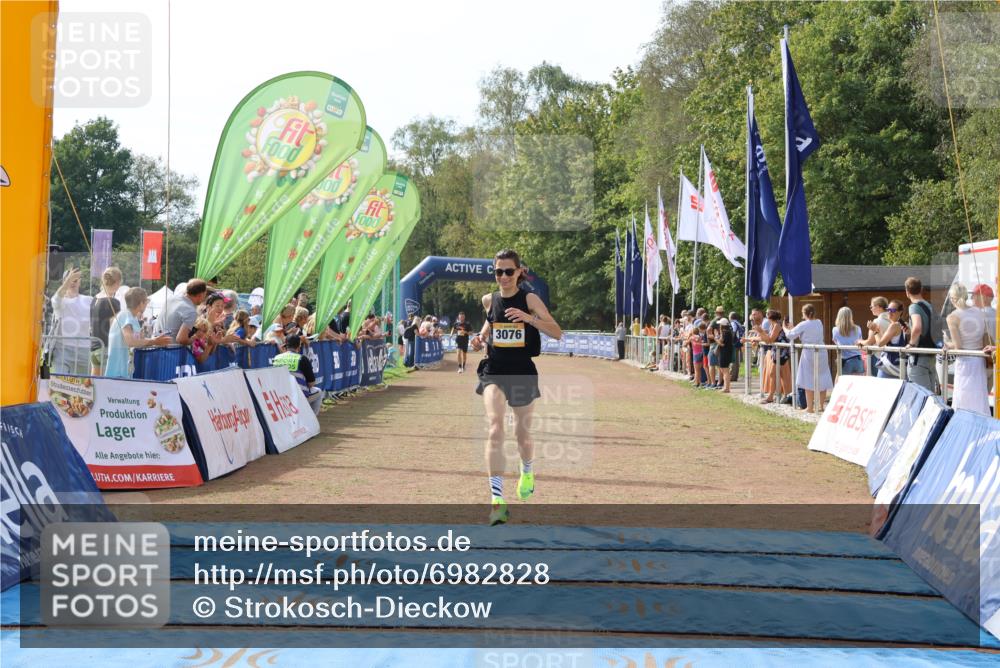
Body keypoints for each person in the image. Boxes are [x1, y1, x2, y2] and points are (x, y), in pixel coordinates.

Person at [470, 249, 562, 526]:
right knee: (495, 427)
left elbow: (557, 332)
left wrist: (528, 317)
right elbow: (487, 330)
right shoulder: (489, 300)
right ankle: (497, 502)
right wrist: (478, 339)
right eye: (499, 271)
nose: (504, 276)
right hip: (494, 370)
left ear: (519, 272)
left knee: (522, 433)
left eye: (509, 271)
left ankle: (527, 471)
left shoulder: (530, 298)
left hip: (522, 372)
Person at [105, 288, 172, 378]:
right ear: (141, 303)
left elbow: (138, 341)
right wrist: (154, 341)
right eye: (146, 302)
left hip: (125, 370)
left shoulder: (131, 317)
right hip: (118, 371)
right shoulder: (125, 315)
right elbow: (131, 342)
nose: (147, 304)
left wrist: (155, 341)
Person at [945, 284, 989, 415]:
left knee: (963, 399)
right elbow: (985, 338)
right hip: (979, 360)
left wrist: (947, 343)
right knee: (980, 398)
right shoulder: (979, 312)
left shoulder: (952, 317)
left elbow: (957, 345)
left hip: (964, 362)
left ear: (952, 299)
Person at [785, 304, 833, 413]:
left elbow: (790, 335)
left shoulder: (804, 324)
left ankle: (810, 407)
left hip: (809, 352)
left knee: (807, 378)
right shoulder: (819, 322)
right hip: (821, 351)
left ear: (804, 313)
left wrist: (785, 328)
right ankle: (820, 406)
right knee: (822, 376)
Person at [48, 267, 93, 375]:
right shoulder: (59, 301)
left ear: (80, 282)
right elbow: (56, 298)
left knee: (84, 388)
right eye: (69, 280)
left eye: (75, 280)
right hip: (63, 349)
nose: (72, 283)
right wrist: (69, 279)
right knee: (60, 385)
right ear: (64, 282)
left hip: (84, 349)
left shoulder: (89, 299)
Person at [271, 334, 323, 415]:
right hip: (298, 397)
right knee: (319, 392)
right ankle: (311, 419)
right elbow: (311, 383)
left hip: (280, 396)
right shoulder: (302, 358)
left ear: (285, 345)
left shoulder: (276, 358)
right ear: (299, 346)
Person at [904, 277, 936, 392]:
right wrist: (910, 330)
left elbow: (917, 327)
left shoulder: (914, 306)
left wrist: (911, 344)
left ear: (907, 292)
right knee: (932, 396)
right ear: (921, 289)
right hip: (931, 355)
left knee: (921, 396)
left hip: (918, 358)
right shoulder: (929, 305)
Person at [862, 299, 908, 379]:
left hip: (889, 367)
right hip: (900, 367)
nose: (889, 312)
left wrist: (875, 331)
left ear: (900, 312)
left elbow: (880, 344)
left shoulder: (894, 326)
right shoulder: (904, 325)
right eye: (888, 310)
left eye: (893, 310)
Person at [90, 267, 123, 374]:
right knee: (107, 386)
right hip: (106, 348)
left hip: (94, 348)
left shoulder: (94, 299)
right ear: (117, 283)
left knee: (94, 385)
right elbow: (115, 327)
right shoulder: (113, 302)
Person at [756, 310, 791, 404]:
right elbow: (768, 339)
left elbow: (770, 340)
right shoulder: (773, 325)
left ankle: (774, 396)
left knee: (775, 373)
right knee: (778, 374)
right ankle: (783, 395)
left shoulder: (776, 326)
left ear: (770, 317)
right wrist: (761, 333)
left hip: (781, 352)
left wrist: (761, 332)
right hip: (776, 351)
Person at [163, 279, 209, 345]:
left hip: (155, 349)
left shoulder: (171, 299)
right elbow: (181, 339)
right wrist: (195, 338)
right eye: (205, 295)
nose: (204, 299)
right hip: (170, 351)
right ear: (200, 295)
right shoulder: (191, 312)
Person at [832, 306, 864, 376]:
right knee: (857, 385)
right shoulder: (857, 328)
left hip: (844, 360)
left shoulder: (835, 330)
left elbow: (835, 342)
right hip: (857, 359)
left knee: (842, 383)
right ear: (850, 316)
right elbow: (860, 342)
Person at [716, 318, 735, 393]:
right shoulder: (727, 332)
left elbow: (722, 343)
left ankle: (727, 388)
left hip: (725, 353)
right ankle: (726, 387)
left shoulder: (726, 333)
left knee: (725, 370)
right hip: (725, 352)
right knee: (723, 370)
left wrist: (715, 338)